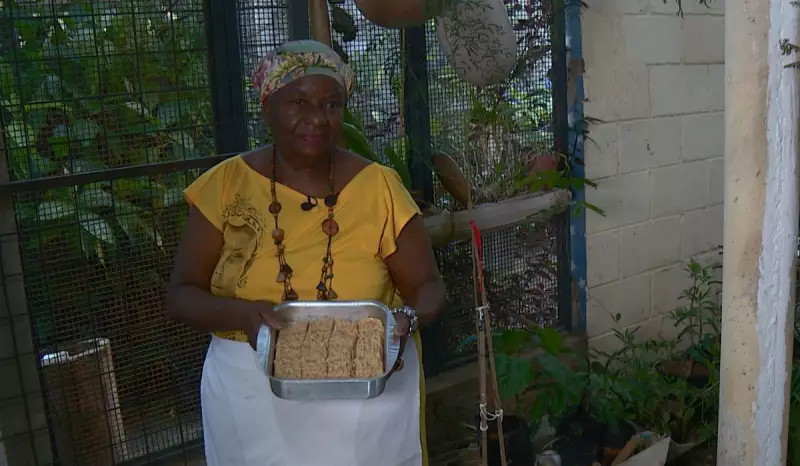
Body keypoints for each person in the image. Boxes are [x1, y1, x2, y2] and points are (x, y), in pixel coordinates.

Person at [165, 40, 446, 466]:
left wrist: (404, 320)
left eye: (332, 105)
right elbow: (182, 294)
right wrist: (244, 316)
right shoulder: (224, 187)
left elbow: (427, 286)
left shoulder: (379, 188)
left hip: (366, 401)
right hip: (252, 398)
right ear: (267, 106)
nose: (317, 118)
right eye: (298, 101)